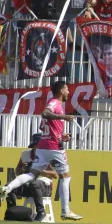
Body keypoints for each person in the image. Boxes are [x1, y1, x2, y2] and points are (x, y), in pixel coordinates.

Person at [0, 81, 82, 221]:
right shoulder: (55, 103)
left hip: (43, 145)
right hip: (53, 146)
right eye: (67, 89)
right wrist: (63, 118)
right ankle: (65, 211)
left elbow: (42, 126)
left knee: (32, 174)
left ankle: (7, 188)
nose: (69, 92)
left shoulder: (53, 103)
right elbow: (45, 114)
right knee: (65, 177)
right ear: (61, 91)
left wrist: (60, 135)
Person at [5, 133, 58, 222]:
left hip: (44, 186)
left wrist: (39, 171)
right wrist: (23, 168)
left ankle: (41, 212)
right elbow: (17, 172)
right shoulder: (25, 155)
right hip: (28, 184)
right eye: (38, 145)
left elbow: (55, 175)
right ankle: (12, 212)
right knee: (9, 185)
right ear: (34, 145)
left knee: (34, 184)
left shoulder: (47, 156)